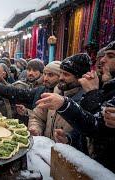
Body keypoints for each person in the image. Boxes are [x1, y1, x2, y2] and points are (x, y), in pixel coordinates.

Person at [35, 41, 115, 171]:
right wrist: (70, 139)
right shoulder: (56, 91)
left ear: (79, 77)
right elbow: (92, 130)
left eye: (110, 56)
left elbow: (96, 130)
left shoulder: (92, 94)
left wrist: (66, 104)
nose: (102, 61)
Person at [28, 53, 91, 152]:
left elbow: (87, 136)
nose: (61, 77)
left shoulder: (88, 100)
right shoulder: (55, 93)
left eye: (66, 74)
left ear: (80, 78)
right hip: (45, 151)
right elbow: (37, 116)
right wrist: (36, 128)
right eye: (60, 73)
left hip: (67, 158)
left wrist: (69, 139)